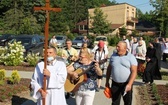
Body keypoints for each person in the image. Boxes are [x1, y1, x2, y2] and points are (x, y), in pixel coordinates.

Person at [105, 41, 137, 105]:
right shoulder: (113, 56)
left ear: (125, 48)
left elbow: (134, 71)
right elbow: (109, 69)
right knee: (115, 103)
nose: (116, 48)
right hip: (115, 84)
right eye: (117, 46)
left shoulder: (131, 57)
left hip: (126, 84)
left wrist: (130, 84)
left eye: (119, 47)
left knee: (127, 102)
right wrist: (107, 81)